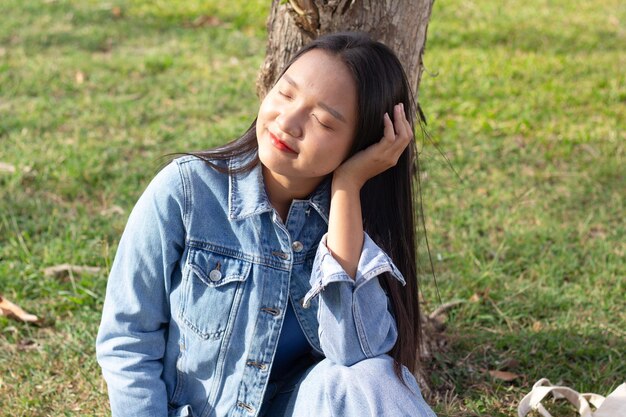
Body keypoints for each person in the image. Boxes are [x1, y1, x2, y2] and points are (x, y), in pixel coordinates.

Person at [96, 31, 437, 417]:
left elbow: (357, 355)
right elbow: (128, 339)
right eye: (286, 94)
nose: (288, 122)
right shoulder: (186, 192)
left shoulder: (353, 219)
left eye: (323, 121)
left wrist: (347, 187)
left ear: (360, 146)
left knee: (372, 377)